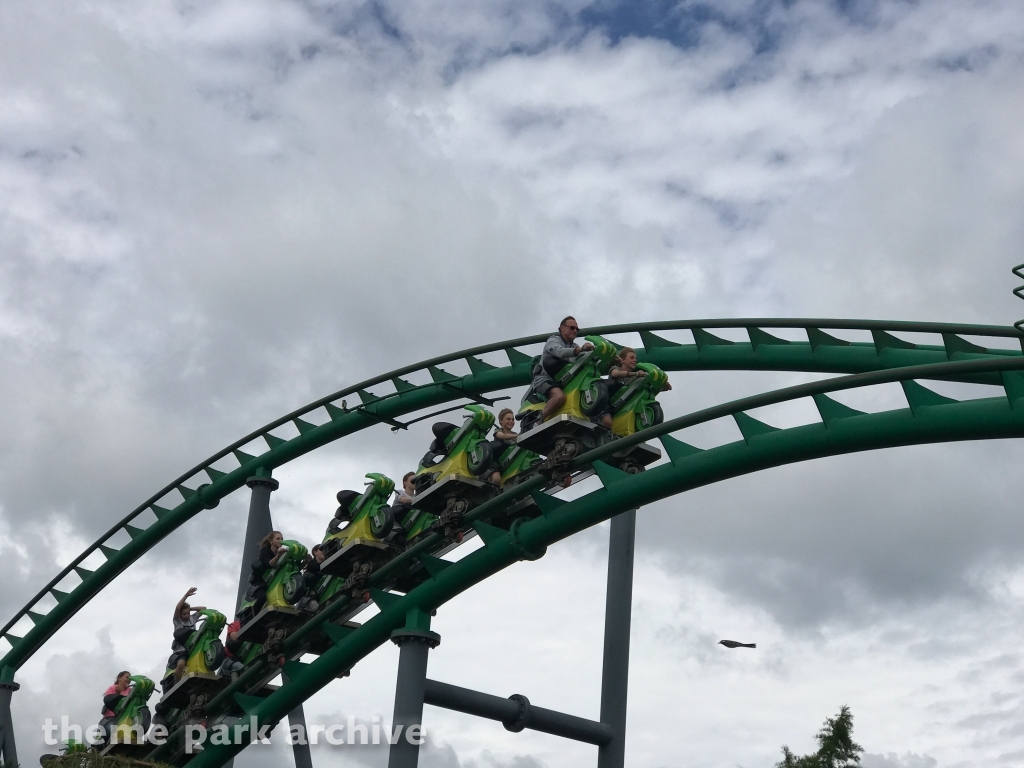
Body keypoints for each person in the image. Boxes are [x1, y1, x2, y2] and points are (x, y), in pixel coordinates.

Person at [530, 317, 594, 422]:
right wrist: (580, 349)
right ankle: (537, 422)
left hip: (562, 382)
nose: (575, 331)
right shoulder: (553, 340)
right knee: (559, 397)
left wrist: (593, 351)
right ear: (562, 328)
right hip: (544, 380)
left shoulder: (574, 346)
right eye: (572, 328)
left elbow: (584, 357)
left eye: (577, 329)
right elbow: (560, 352)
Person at [596, 347, 672, 428]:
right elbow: (615, 374)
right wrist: (635, 374)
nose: (635, 360)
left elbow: (642, 390)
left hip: (622, 406)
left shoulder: (634, 379)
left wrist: (661, 387)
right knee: (607, 422)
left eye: (635, 358)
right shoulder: (616, 368)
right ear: (623, 360)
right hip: (607, 403)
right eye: (631, 358)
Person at [243, 531, 288, 619]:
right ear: (271, 541)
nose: (281, 540)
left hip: (274, 580)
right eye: (278, 539)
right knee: (262, 597)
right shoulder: (265, 551)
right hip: (260, 582)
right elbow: (269, 564)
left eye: (282, 539)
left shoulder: (281, 553)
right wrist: (278, 556)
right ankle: (252, 617)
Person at [170, 588, 206, 682]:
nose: (186, 616)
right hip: (181, 650)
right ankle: (177, 683)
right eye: (184, 614)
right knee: (181, 664)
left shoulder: (192, 618)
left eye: (188, 613)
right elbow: (178, 608)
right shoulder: (177, 621)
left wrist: (191, 609)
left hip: (193, 647)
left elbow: (204, 609)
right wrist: (186, 595)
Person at [99, 671, 132, 744]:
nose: (128, 680)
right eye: (126, 677)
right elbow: (108, 700)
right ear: (119, 678)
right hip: (111, 716)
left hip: (124, 716)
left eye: (130, 678)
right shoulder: (113, 688)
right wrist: (117, 694)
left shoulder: (130, 690)